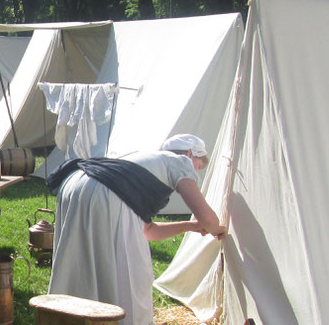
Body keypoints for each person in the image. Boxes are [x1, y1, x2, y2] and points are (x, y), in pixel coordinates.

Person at [47, 134, 226, 325]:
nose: (196, 171)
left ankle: (73, 318)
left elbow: (148, 231)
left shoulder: (144, 162)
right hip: (104, 191)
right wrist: (217, 228)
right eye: (198, 165)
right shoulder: (180, 162)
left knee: (80, 264)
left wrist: (190, 226)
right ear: (190, 154)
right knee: (132, 270)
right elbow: (207, 218)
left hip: (75, 184)